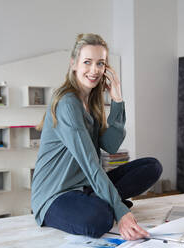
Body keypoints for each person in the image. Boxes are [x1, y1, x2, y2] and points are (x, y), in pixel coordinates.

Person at [31, 33, 162, 241]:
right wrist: (121, 212)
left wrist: (117, 98)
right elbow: (91, 164)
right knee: (99, 220)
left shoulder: (91, 102)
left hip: (86, 186)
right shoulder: (67, 103)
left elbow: (110, 145)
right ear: (73, 64)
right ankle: (106, 204)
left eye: (100, 63)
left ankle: (103, 200)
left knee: (151, 167)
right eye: (87, 62)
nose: (94, 70)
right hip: (56, 194)